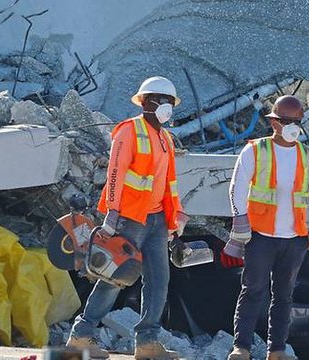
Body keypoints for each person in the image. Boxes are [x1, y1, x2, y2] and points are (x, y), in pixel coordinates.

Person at [66, 76, 189, 360]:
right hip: (130, 218)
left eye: (170, 102)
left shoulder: (166, 139)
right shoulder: (128, 132)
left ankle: (147, 343)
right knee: (115, 277)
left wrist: (176, 216)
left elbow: (169, 181)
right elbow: (114, 174)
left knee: (159, 280)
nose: (166, 107)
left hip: (158, 219)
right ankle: (81, 336)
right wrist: (112, 214)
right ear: (145, 103)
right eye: (161, 101)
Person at [225, 95, 309, 360]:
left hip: (294, 238)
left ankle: (277, 349)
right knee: (253, 290)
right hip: (260, 236)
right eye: (286, 121)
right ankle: (242, 347)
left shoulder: (308, 156)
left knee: (284, 295)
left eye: (295, 122)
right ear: (274, 123)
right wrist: (241, 221)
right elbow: (236, 189)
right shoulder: (256, 150)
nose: (292, 126)